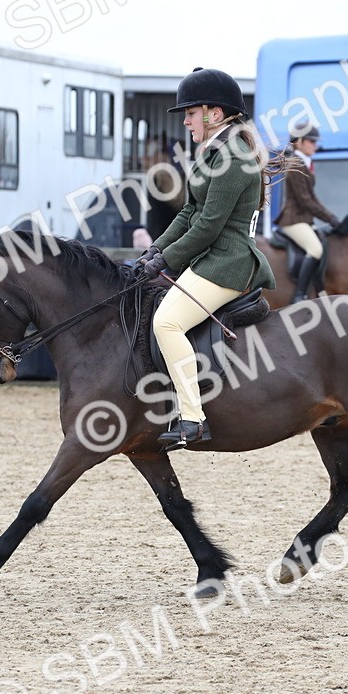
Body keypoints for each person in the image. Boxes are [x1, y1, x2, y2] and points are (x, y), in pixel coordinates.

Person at [133, 67, 279, 449]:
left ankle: (193, 419)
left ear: (215, 113)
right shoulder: (212, 152)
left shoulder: (233, 155)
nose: (185, 121)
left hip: (228, 260)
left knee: (167, 322)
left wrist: (165, 262)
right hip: (212, 256)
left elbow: (209, 226)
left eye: (190, 113)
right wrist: (154, 251)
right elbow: (187, 214)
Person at [274, 122, 340, 303]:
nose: (315, 145)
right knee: (315, 249)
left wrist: (331, 217)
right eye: (311, 141)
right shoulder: (295, 164)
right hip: (292, 220)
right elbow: (305, 200)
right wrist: (329, 217)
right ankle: (299, 294)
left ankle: (319, 290)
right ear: (299, 141)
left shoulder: (306, 163)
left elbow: (313, 197)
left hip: (304, 219)